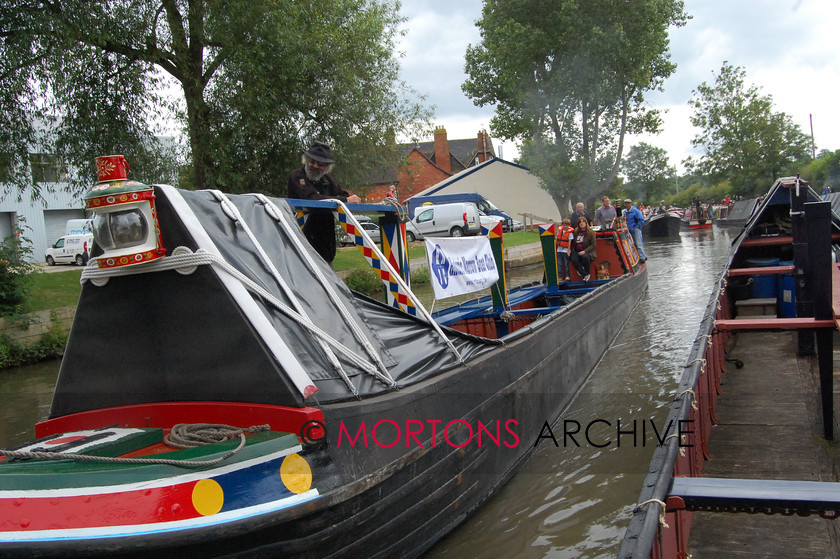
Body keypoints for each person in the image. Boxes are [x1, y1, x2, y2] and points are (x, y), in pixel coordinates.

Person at [287, 141, 361, 266]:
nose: (315, 165)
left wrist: (349, 199)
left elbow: (344, 196)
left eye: (320, 163)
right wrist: (343, 200)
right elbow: (311, 200)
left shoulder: (327, 180)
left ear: (327, 167)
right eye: (312, 161)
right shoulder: (296, 177)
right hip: (300, 246)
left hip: (325, 248)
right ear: (306, 160)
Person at [570, 216, 597, 281]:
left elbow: (593, 245)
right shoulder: (576, 232)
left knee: (585, 257)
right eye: (580, 222)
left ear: (586, 223)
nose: (582, 223)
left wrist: (585, 251)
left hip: (588, 250)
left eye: (583, 222)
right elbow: (572, 242)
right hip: (577, 250)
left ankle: (587, 272)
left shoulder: (591, 232)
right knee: (574, 259)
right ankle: (585, 274)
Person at [623, 198, 646, 263]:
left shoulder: (635, 211)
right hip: (628, 230)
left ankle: (642, 257)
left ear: (630, 204)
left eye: (628, 203)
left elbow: (641, 220)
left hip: (635, 229)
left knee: (638, 243)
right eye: (625, 204)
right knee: (632, 244)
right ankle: (636, 257)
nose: (627, 205)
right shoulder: (625, 212)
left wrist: (637, 227)